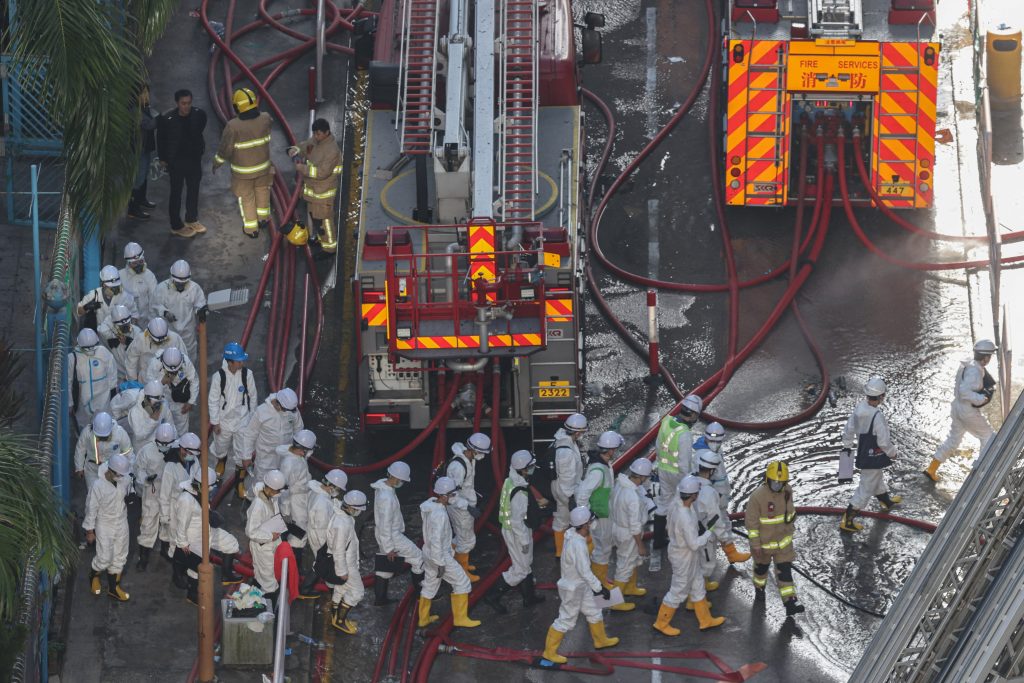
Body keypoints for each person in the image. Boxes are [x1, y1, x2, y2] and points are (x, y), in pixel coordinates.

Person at [541, 506, 618, 664]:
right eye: (590, 521)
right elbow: (585, 572)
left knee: (594, 610)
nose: (593, 523)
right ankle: (549, 653)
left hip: (581, 586)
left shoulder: (573, 535)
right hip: (573, 589)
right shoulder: (578, 545)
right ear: (584, 525)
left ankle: (600, 640)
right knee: (566, 619)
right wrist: (600, 588)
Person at [652, 476, 726, 636]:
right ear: (693, 495)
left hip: (684, 554)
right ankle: (661, 622)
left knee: (698, 584)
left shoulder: (676, 504)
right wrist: (708, 533)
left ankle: (705, 620)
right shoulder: (684, 516)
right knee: (678, 590)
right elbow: (693, 543)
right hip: (684, 556)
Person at [925, 339, 999, 482]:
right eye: (989, 357)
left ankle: (931, 469)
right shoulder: (975, 372)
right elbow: (964, 391)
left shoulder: (968, 364)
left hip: (957, 408)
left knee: (953, 439)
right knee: (988, 437)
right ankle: (981, 473)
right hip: (967, 411)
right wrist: (982, 398)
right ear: (985, 358)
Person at [483, 450, 545, 614]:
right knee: (520, 569)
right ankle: (493, 596)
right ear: (522, 469)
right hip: (518, 533)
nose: (532, 468)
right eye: (530, 466)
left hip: (514, 530)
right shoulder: (520, 493)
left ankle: (529, 597)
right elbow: (517, 521)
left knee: (525, 564)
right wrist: (524, 541)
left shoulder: (511, 481)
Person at [172, 466, 243, 603]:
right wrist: (183, 543)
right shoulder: (186, 499)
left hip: (208, 531)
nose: (211, 489)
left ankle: (227, 575)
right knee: (196, 568)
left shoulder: (199, 493)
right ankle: (192, 595)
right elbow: (181, 524)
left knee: (231, 543)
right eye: (209, 486)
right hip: (194, 539)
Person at [418, 476, 480, 629]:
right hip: (439, 556)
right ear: (444, 496)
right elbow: (437, 541)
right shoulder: (439, 515)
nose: (454, 497)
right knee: (462, 583)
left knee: (430, 585)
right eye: (452, 494)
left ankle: (423, 619)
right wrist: (440, 563)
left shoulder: (430, 506)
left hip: (428, 552)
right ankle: (460, 618)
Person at [840, 377, 900, 531]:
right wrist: (893, 453)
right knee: (866, 488)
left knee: (876, 478)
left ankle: (885, 501)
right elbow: (883, 442)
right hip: (873, 456)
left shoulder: (859, 409)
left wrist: (847, 446)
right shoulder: (877, 416)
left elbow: (848, 429)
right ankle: (847, 519)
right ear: (880, 397)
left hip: (863, 452)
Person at [745, 460, 804, 617]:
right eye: (774, 482)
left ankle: (790, 602)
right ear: (767, 479)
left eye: (781, 482)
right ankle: (759, 587)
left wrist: (790, 526)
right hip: (763, 546)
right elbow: (751, 524)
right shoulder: (757, 497)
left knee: (784, 572)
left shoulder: (787, 491)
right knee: (761, 570)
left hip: (782, 544)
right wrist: (756, 545)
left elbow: (789, 515)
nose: (777, 485)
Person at [213, 87, 274, 238]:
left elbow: (225, 149)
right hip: (263, 169)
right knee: (262, 191)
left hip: (243, 173)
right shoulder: (266, 118)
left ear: (237, 107)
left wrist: (217, 162)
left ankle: (251, 229)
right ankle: (263, 220)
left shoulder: (233, 126)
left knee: (246, 198)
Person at [652, 395, 703, 571]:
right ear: (694, 415)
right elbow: (684, 462)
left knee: (663, 505)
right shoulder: (685, 434)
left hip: (663, 470)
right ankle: (684, 539)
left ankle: (658, 542)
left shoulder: (666, 422)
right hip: (678, 475)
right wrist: (689, 480)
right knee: (684, 506)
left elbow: (658, 447)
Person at [692, 422, 750, 564]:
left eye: (718, 441)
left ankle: (731, 553)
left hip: (719, 494)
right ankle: (723, 555)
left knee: (723, 521)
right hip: (712, 496)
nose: (715, 444)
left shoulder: (715, 450)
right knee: (715, 525)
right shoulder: (701, 456)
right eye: (712, 440)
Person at [157, 88, 208, 238]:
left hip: (193, 160)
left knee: (194, 189)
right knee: (176, 193)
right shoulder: (167, 119)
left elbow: (201, 126)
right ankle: (176, 225)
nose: (186, 107)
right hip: (176, 163)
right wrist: (163, 159)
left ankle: (191, 218)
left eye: (189, 103)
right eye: (183, 103)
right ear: (177, 103)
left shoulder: (199, 114)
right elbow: (161, 139)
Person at [371, 461, 423, 606]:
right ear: (396, 478)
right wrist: (389, 549)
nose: (402, 483)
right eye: (401, 480)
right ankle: (422, 595)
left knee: (385, 568)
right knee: (418, 558)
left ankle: (380, 599)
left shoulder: (382, 486)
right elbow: (385, 525)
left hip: (384, 535)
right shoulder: (387, 498)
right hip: (392, 536)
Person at [83, 453, 133, 601]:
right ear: (110, 471)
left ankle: (113, 588)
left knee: (120, 556)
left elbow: (129, 489)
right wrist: (90, 531)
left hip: (121, 521)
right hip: (104, 524)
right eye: (118, 475)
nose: (121, 477)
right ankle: (94, 574)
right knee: (104, 557)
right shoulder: (97, 486)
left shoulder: (124, 477)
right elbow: (91, 508)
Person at [287, 118, 342, 252]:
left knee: (325, 221)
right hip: (314, 190)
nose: (315, 136)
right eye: (315, 133)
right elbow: (306, 146)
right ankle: (320, 239)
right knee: (316, 218)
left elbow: (323, 172)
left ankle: (329, 248)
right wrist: (295, 150)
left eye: (318, 134)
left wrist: (303, 168)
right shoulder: (316, 141)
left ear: (326, 132)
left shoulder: (331, 151)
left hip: (323, 192)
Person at [579, 430, 621, 595]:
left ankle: (601, 584)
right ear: (610, 450)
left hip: (603, 513)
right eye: (615, 449)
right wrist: (586, 518)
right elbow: (583, 493)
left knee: (603, 549)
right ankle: (599, 590)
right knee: (601, 551)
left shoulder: (603, 464)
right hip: (599, 516)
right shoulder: (598, 470)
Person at [239, 388, 303, 499]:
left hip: (285, 456)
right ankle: (253, 502)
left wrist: (298, 449)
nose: (288, 413)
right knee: (260, 484)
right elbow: (249, 434)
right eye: (285, 410)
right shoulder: (261, 412)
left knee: (281, 483)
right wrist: (246, 456)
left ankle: (273, 506)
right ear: (278, 405)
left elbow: (299, 429)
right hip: (266, 458)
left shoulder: (292, 410)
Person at [609, 457, 652, 612]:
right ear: (641, 477)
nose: (647, 480)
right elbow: (634, 526)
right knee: (624, 565)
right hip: (628, 534)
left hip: (618, 528)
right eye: (646, 477)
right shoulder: (632, 496)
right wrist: (640, 545)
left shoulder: (620, 484)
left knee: (629, 560)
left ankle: (629, 587)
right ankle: (614, 602)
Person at [209, 342, 258, 477]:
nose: (242, 363)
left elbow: (253, 397)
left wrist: (252, 419)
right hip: (224, 421)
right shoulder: (219, 377)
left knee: (242, 450)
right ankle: (221, 460)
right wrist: (215, 422)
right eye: (238, 361)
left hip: (242, 420)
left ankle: (239, 482)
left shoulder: (247, 375)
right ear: (230, 362)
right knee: (220, 445)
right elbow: (213, 400)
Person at [322, 490, 368, 633]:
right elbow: (339, 550)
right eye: (358, 509)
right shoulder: (342, 524)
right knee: (357, 592)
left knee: (341, 588)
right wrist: (342, 572)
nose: (359, 512)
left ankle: (335, 615)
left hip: (348, 561)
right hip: (346, 564)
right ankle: (340, 621)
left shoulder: (344, 517)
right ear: (350, 507)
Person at [446, 432, 490, 581]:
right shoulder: (458, 467)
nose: (482, 456)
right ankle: (461, 573)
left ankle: (454, 561)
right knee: (466, 540)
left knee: (461, 536)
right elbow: (451, 494)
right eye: (481, 453)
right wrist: (468, 507)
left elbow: (465, 486)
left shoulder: (470, 459)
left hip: (464, 503)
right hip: (459, 507)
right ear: (474, 450)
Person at [693, 449, 737, 592]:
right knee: (705, 563)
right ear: (711, 471)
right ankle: (696, 598)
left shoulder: (688, 484)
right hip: (704, 534)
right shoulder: (709, 492)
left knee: (694, 562)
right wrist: (724, 538)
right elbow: (715, 519)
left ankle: (702, 587)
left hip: (688, 531)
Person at [134, 422, 177, 571]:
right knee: (148, 522)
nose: (164, 446)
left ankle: (166, 550)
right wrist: (146, 478)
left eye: (168, 444)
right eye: (161, 443)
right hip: (153, 490)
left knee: (169, 521)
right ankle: (143, 557)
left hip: (171, 491)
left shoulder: (178, 449)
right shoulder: (146, 451)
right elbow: (138, 470)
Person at [300, 469, 348, 596]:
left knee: (322, 562)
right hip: (320, 535)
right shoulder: (322, 502)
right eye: (338, 489)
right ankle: (305, 588)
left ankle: (325, 587)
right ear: (331, 486)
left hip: (315, 532)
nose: (338, 492)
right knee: (322, 563)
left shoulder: (317, 492)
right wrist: (328, 544)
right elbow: (322, 526)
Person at [154, 260, 208, 362]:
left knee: (189, 357)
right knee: (168, 358)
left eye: (184, 283)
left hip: (187, 332)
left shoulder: (194, 288)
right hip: (168, 331)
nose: (181, 285)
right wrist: (165, 312)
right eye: (178, 283)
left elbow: (200, 304)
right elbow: (155, 305)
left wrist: (199, 311)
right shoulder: (162, 288)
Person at [245, 469, 287, 600]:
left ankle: (258, 600)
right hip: (263, 546)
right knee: (269, 580)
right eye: (278, 491)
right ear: (270, 488)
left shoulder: (270, 498)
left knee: (268, 575)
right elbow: (251, 531)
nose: (279, 493)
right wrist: (270, 536)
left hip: (271, 543)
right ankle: (269, 611)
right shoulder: (258, 505)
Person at [278, 429, 316, 572]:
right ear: (302, 450)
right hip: (295, 502)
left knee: (298, 532)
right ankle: (292, 568)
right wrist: (286, 512)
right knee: (298, 534)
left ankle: (290, 566)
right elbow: (284, 490)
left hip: (300, 498)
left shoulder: (296, 458)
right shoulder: (290, 463)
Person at [552, 412, 588, 557]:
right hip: (565, 491)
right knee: (565, 520)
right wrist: (571, 498)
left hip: (562, 488)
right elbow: (567, 478)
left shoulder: (565, 441)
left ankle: (560, 551)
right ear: (577, 432)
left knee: (561, 519)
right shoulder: (565, 451)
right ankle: (562, 552)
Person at [162, 432, 199, 575]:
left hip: (190, 505)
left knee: (187, 538)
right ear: (181, 448)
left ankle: (183, 567)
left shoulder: (194, 461)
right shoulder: (170, 466)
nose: (188, 454)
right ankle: (176, 574)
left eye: (191, 452)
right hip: (174, 507)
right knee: (174, 541)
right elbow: (164, 494)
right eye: (186, 451)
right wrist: (165, 516)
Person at [68, 328, 118, 430]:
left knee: (104, 426)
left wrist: (113, 393)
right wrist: (70, 403)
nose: (90, 350)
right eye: (87, 348)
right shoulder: (72, 359)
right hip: (83, 403)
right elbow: (68, 382)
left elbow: (112, 373)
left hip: (103, 401)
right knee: (84, 430)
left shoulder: (103, 353)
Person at [144, 346, 197, 436]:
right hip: (161, 401)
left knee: (182, 430)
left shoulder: (185, 361)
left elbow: (194, 380)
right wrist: (162, 382)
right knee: (162, 430)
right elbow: (149, 388)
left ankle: (181, 447)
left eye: (175, 371)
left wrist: (191, 401)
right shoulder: (154, 364)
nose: (173, 374)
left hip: (180, 402)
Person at [74, 412, 133, 492]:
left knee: (111, 496)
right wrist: (79, 468)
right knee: (93, 494)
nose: (102, 438)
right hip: (92, 470)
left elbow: (128, 453)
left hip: (112, 472)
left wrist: (130, 472)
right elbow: (80, 449)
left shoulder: (120, 434)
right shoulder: (87, 432)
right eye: (99, 436)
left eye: (104, 436)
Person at [128, 85, 158, 220]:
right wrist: (162, 118)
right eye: (143, 93)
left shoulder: (144, 107)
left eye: (147, 93)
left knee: (144, 174)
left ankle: (141, 200)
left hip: (145, 147)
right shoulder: (134, 110)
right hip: (137, 150)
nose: (146, 96)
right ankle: (133, 209)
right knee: (138, 178)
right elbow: (148, 124)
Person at [77, 265, 138, 331]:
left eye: (116, 287)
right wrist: (86, 307)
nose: (114, 290)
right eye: (112, 288)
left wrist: (127, 329)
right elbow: (79, 312)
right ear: (103, 284)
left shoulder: (126, 297)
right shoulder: (94, 295)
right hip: (100, 337)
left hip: (120, 337)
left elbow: (135, 316)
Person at [126, 317, 185, 382]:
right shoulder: (140, 339)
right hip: (145, 379)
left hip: (169, 379)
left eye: (162, 341)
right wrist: (133, 380)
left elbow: (183, 360)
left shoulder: (175, 338)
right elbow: (131, 361)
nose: (159, 343)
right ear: (149, 334)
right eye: (156, 341)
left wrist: (179, 380)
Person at [98, 304, 142, 384]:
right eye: (122, 326)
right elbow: (101, 330)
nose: (126, 328)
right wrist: (116, 335)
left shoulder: (137, 332)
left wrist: (129, 342)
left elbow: (141, 351)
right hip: (118, 375)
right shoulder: (110, 333)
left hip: (135, 375)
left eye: (127, 325)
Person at [119, 243, 158, 325]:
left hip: (145, 323)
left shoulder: (149, 276)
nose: (139, 265)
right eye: (135, 263)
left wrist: (152, 323)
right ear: (128, 263)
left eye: (140, 261)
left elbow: (154, 301)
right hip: (125, 322)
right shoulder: (120, 276)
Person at [126, 380, 171, 449]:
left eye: (159, 402)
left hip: (159, 446)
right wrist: (153, 421)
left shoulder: (163, 405)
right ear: (146, 398)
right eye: (155, 403)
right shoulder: (135, 412)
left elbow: (171, 425)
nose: (157, 406)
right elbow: (139, 436)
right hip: (141, 447)